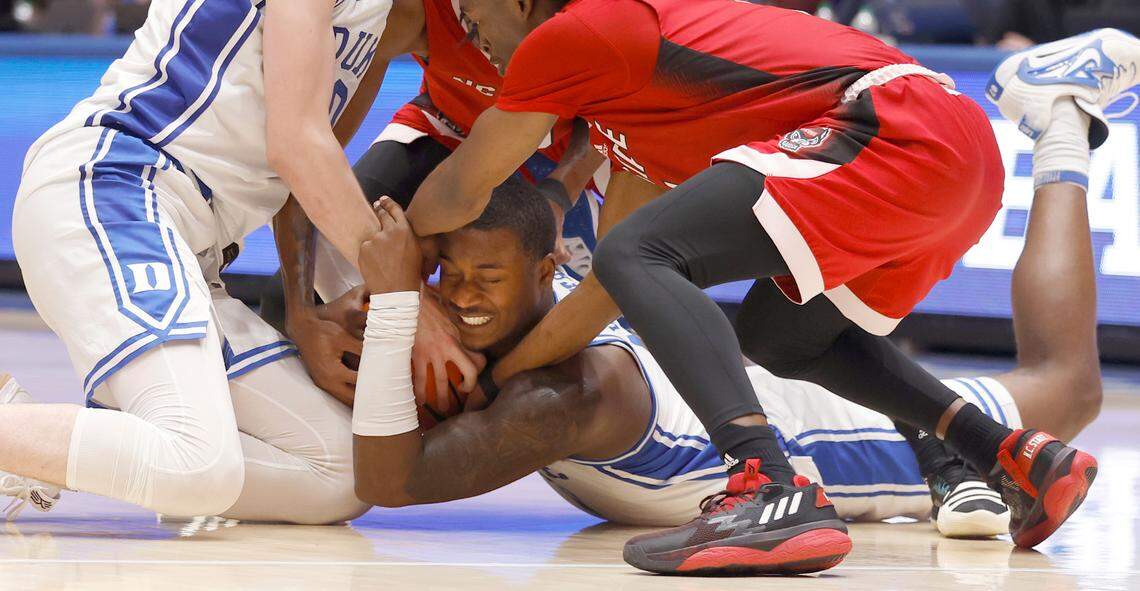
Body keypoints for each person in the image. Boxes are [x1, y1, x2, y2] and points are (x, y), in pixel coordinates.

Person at [399, 0, 1117, 574]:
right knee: (780, 334)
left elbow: (466, 184)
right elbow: (607, 291)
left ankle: (770, 484)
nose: (467, 30)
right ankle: (1014, 455)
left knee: (638, 252)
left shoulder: (580, 26)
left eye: (472, 13)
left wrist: (395, 268)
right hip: (949, 154)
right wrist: (503, 371)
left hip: (898, 125)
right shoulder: (630, 112)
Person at [344, 179, 1033, 534]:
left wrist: (396, 302)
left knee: (1061, 385)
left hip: (842, 437)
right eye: (445, 276)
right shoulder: (529, 300)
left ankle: (1061, 128)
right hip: (744, 391)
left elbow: (389, 483)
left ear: (542, 270)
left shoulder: (569, 395)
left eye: (485, 280)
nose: (461, 296)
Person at [0, 0, 422, 523]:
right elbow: (299, 147)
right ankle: (33, 436)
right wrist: (405, 305)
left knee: (338, 475)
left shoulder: (394, 11)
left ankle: (39, 438)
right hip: (121, 184)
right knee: (197, 465)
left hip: (191, 248)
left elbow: (315, 174)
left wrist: (313, 307)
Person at [263, 0, 605, 405]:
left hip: (562, 163)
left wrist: (558, 195)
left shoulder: (605, 19)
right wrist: (300, 314)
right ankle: (330, 434)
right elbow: (310, 162)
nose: (474, 30)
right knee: (301, 282)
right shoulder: (409, 14)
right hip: (445, 131)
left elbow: (618, 119)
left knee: (557, 339)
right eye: (470, 20)